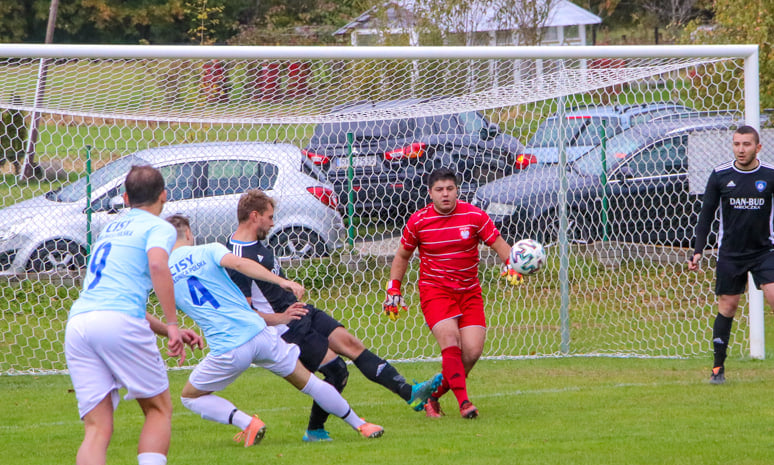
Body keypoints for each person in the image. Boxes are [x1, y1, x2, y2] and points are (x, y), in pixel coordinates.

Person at [226, 189, 441, 443]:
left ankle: (410, 392)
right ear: (254, 216)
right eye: (270, 217)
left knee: (352, 344)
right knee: (337, 371)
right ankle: (315, 430)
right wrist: (282, 317)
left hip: (300, 312)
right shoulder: (237, 258)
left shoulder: (253, 242)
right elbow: (246, 313)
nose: (273, 223)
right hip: (286, 328)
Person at [65, 165, 204, 465]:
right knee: (158, 409)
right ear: (164, 197)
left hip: (79, 322)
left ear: (125, 198)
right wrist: (175, 324)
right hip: (117, 322)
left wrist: (163, 329)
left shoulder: (110, 228)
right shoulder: (157, 226)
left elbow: (115, 292)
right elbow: (159, 265)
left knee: (96, 427)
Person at [166, 214, 385, 447]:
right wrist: (280, 280)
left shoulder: (161, 275)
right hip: (260, 334)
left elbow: (138, 311)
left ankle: (248, 423)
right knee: (310, 383)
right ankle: (361, 425)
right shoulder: (209, 249)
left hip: (229, 349)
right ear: (189, 233)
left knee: (189, 396)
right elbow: (240, 263)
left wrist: (172, 332)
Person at [385, 167, 522, 419]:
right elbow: (402, 255)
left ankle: (432, 395)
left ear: (457, 190)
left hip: (469, 293)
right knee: (450, 342)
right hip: (435, 292)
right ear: (430, 193)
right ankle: (465, 403)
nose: (445, 194)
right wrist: (394, 288)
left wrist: (512, 264)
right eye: (439, 190)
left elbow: (499, 244)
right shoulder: (419, 221)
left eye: (450, 189)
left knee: (471, 352)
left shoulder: (474, 216)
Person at [688, 125, 774, 384]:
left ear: (757, 147)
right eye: (737, 144)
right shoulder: (720, 175)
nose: (741, 149)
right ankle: (718, 368)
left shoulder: (772, 175)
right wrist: (697, 250)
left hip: (764, 251)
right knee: (728, 307)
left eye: (747, 144)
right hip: (730, 254)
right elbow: (706, 215)